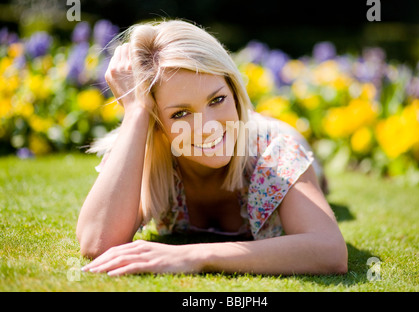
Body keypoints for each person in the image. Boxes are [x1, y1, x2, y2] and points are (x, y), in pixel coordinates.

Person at [77, 20, 347, 276]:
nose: (208, 127)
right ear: (156, 123)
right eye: (181, 114)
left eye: (217, 99)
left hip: (280, 142)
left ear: (235, 92)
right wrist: (136, 111)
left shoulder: (274, 152)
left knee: (314, 181)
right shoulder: (143, 151)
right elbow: (97, 242)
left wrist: (195, 256)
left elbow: (329, 251)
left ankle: (316, 175)